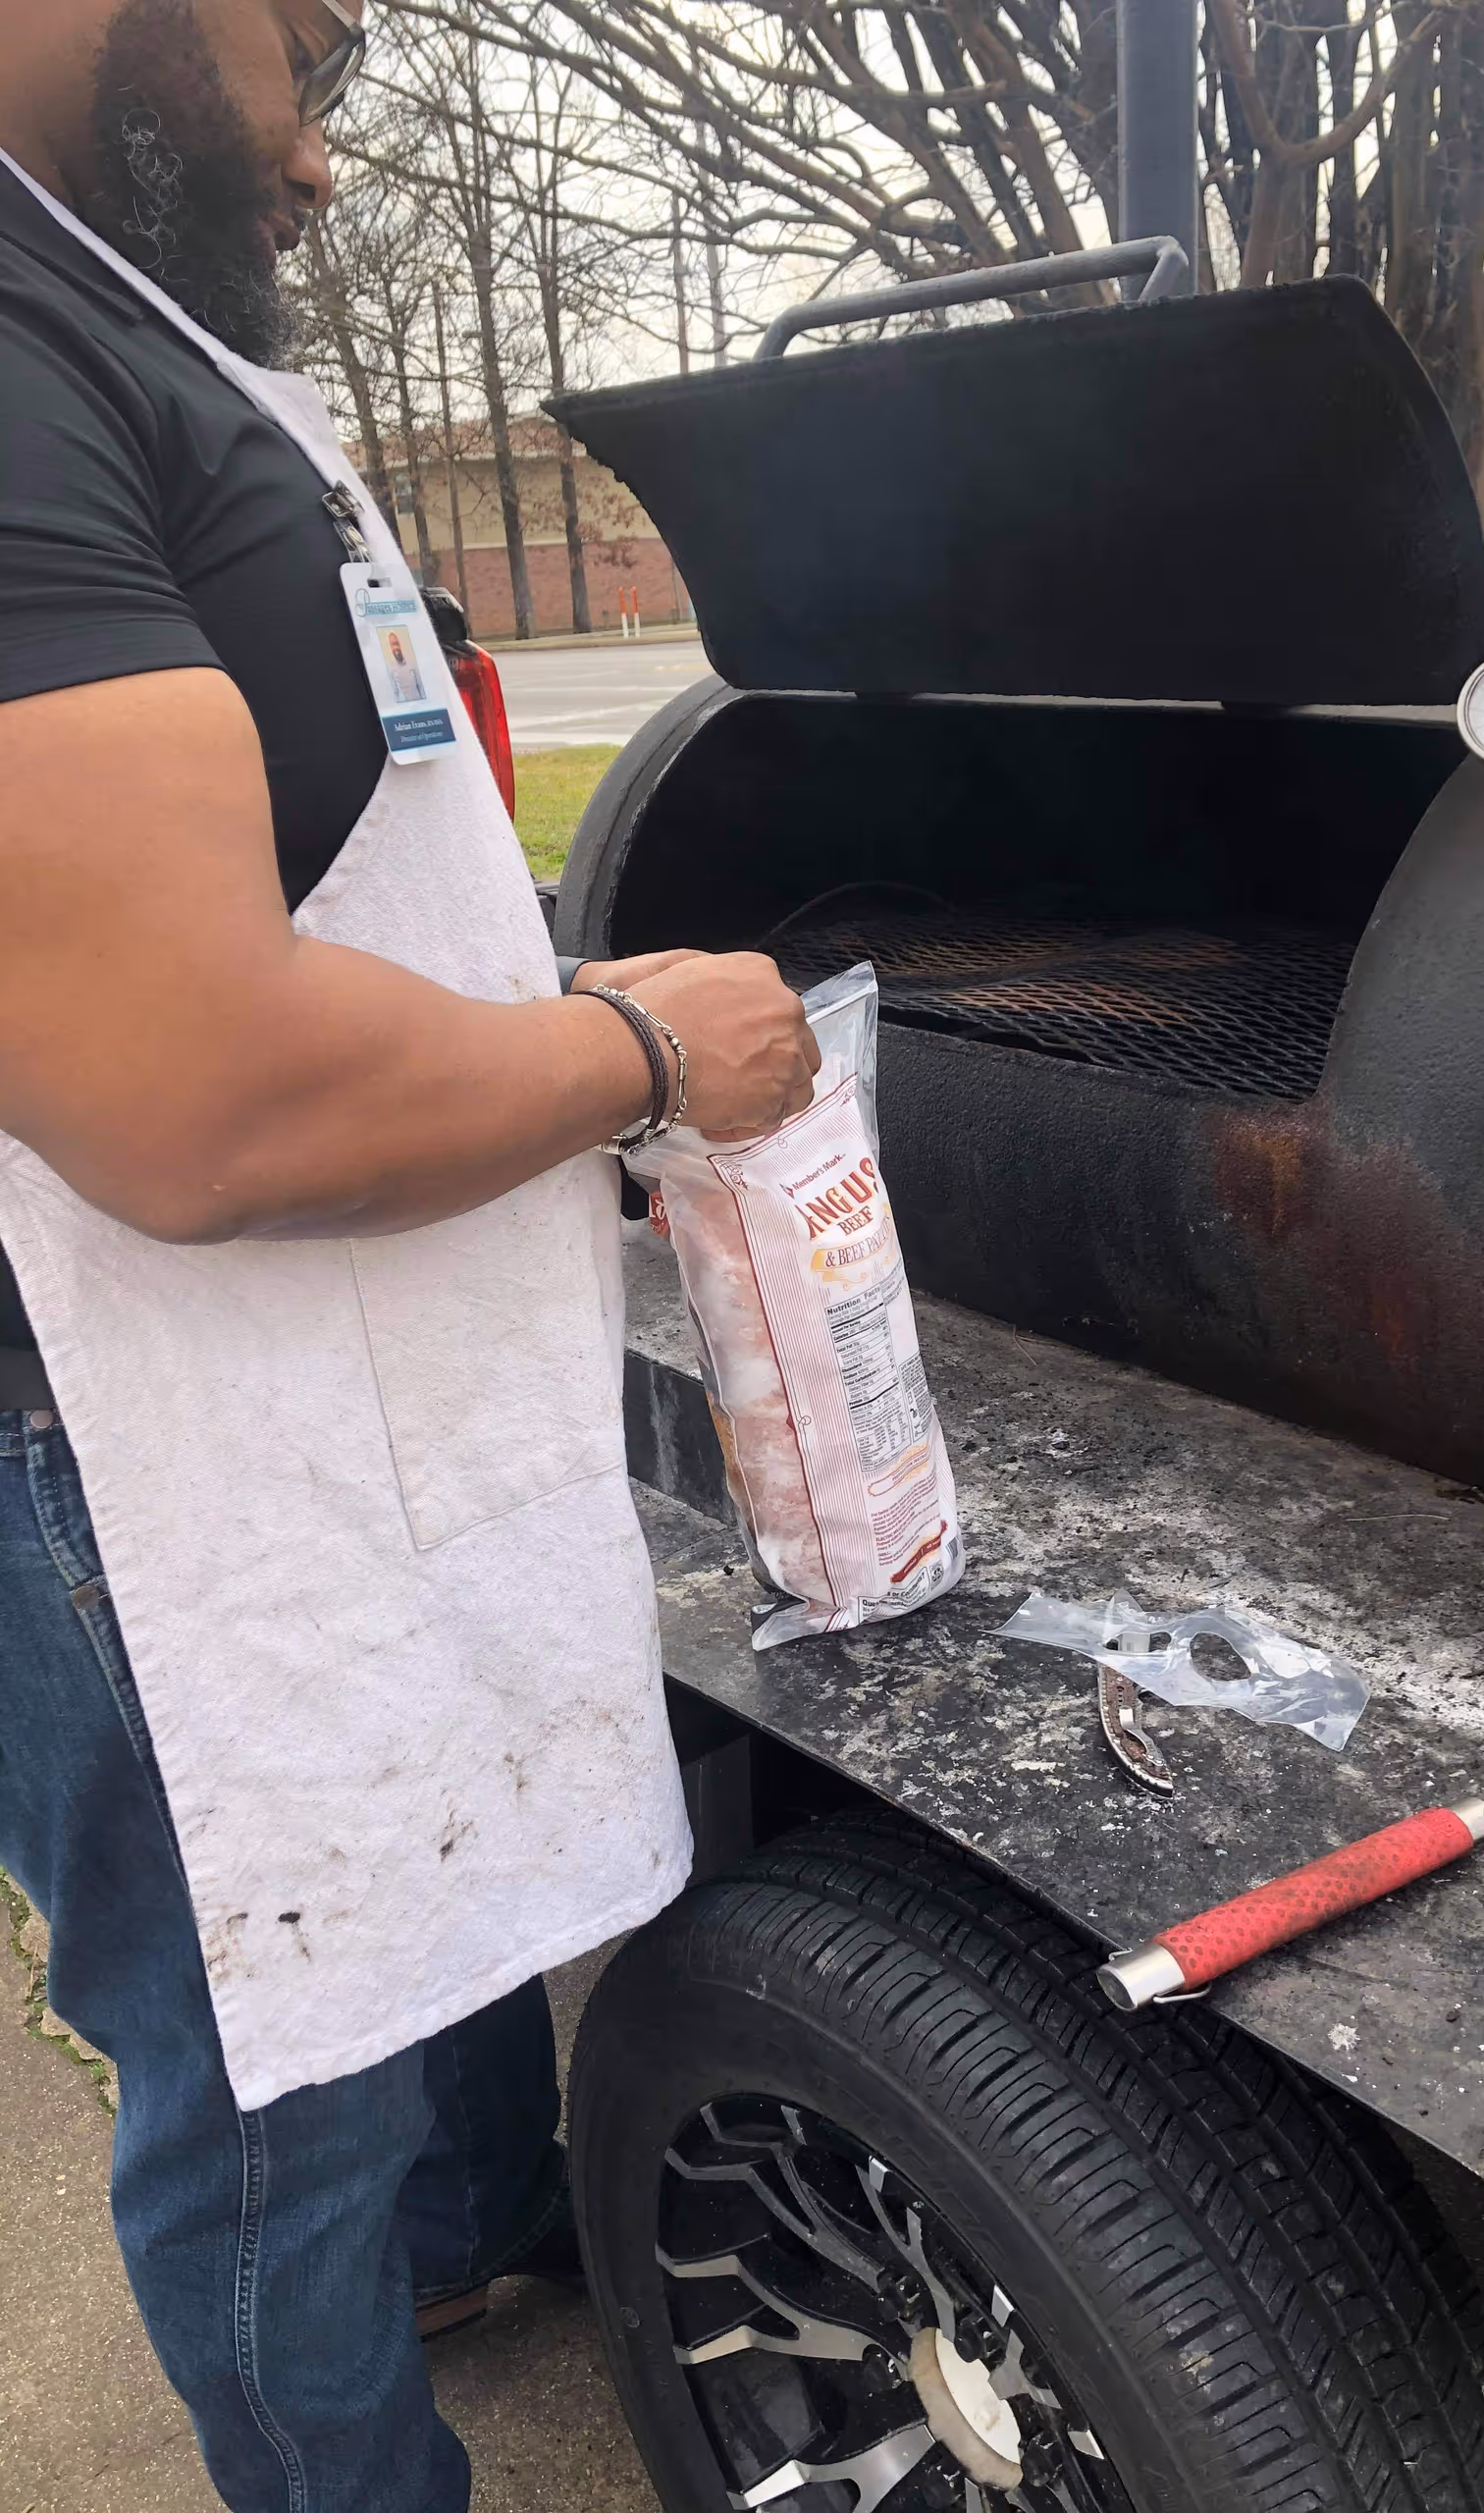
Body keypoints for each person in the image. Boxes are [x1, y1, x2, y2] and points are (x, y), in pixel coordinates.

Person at [0, 5, 819, 2506]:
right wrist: (633, 1047)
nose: (331, 156)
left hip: (319, 1327)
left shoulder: (97, 323)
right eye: (308, 48)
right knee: (264, 2036)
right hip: (107, 1424)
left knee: (426, 1821)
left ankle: (475, 2231)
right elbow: (199, 1098)